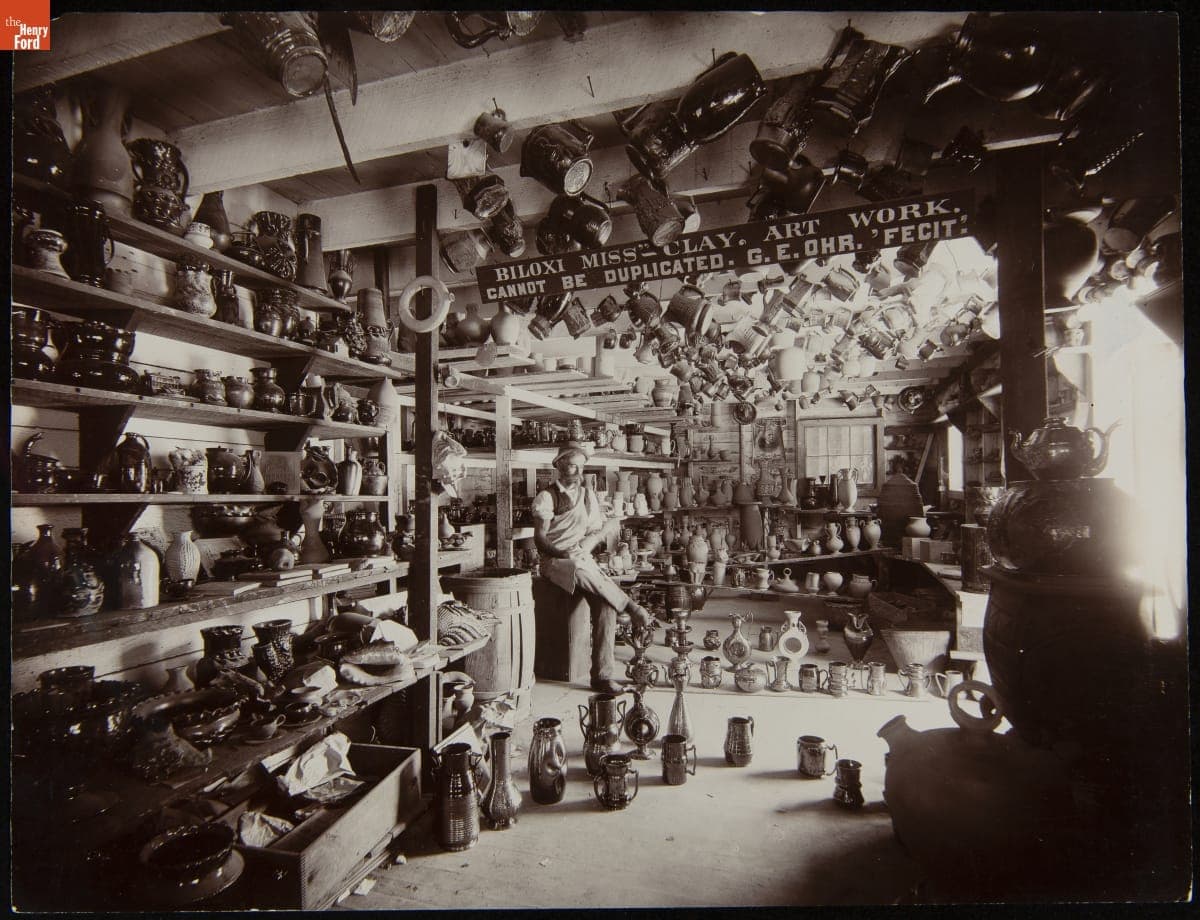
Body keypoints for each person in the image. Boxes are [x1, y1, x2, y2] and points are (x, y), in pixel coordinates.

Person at [533, 444, 654, 692]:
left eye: (580, 465)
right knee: (578, 566)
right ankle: (631, 606)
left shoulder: (588, 495)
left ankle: (601, 676)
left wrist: (600, 535)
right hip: (553, 561)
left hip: (579, 558)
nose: (575, 470)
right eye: (570, 464)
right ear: (558, 466)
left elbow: (590, 530)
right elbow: (540, 538)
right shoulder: (547, 496)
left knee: (606, 605)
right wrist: (562, 552)